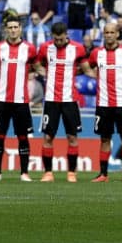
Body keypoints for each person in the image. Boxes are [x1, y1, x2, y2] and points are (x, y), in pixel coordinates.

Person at [82, 21, 122, 182]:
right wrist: (95, 75)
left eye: (111, 32)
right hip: (103, 104)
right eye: (106, 33)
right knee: (104, 139)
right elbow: (87, 66)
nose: (108, 35)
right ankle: (103, 174)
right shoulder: (96, 53)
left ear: (117, 34)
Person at [0, 15, 40, 182]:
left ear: (20, 28)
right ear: (5, 30)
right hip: (2, 100)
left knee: (22, 137)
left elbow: (37, 66)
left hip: (21, 100)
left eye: (15, 27)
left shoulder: (30, 49)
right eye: (9, 27)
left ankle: (24, 173)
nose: (12, 30)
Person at [37, 22, 87, 183]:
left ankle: (71, 173)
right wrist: (43, 73)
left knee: (72, 137)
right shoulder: (45, 48)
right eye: (55, 39)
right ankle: (48, 173)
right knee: (48, 138)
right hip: (51, 100)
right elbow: (37, 63)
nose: (58, 42)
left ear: (66, 34)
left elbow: (85, 67)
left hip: (70, 100)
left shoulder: (77, 48)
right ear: (52, 36)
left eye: (61, 39)